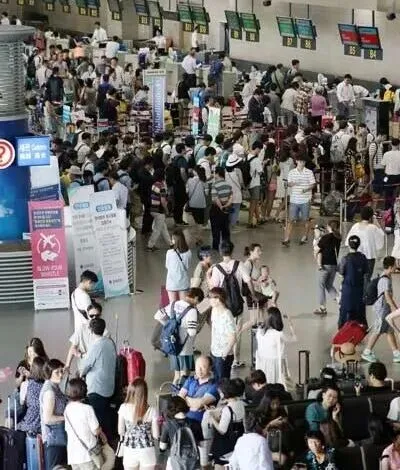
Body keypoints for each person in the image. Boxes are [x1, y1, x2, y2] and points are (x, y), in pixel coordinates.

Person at [210, 241, 254, 368]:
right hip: (237, 304)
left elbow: (213, 288)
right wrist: (253, 294)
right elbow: (248, 281)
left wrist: (208, 276)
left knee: (221, 329)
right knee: (237, 332)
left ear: (220, 252)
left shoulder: (217, 268)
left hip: (222, 305)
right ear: (232, 250)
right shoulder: (239, 264)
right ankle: (236, 359)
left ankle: (221, 353)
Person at [154, 288, 204, 385]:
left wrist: (168, 325)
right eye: (198, 302)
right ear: (196, 298)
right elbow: (192, 332)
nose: (197, 304)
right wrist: (196, 327)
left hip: (172, 346)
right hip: (184, 348)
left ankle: (174, 392)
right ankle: (182, 393)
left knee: (176, 376)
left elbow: (157, 315)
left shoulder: (174, 304)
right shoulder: (192, 311)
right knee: (184, 375)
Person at [178, 356, 219, 469]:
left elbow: (200, 403)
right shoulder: (190, 380)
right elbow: (179, 399)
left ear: (210, 368)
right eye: (197, 367)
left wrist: (187, 400)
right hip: (184, 420)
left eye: (203, 367)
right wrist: (193, 403)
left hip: (199, 425)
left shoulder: (214, 385)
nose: (199, 370)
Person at [80, 318, 116, 441]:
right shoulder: (110, 343)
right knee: (107, 416)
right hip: (109, 386)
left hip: (96, 387)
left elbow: (86, 366)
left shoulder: (95, 345)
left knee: (98, 419)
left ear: (91, 331)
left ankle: (102, 443)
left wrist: (80, 374)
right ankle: (110, 442)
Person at [361, 256, 400, 363]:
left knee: (389, 331)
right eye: (395, 265)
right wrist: (395, 309)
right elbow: (387, 297)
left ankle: (396, 353)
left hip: (385, 308)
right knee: (377, 331)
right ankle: (367, 352)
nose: (397, 266)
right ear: (390, 267)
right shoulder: (384, 280)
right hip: (382, 310)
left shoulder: (387, 277)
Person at [118, 378, 159, 470]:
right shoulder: (152, 410)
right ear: (145, 393)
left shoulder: (123, 408)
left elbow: (121, 431)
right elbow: (156, 435)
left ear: (131, 392)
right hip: (147, 451)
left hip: (130, 450)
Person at [64, 378, 105, 470]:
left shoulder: (67, 409)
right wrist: (101, 430)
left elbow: (67, 430)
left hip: (73, 455)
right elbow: (96, 431)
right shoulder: (87, 409)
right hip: (87, 454)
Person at [254, 307, 296, 389]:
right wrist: (291, 323)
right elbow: (294, 338)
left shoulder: (259, 332)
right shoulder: (278, 334)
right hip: (275, 363)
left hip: (262, 362)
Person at [206, 378, 245, 465]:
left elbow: (222, 430)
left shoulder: (227, 409)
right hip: (238, 438)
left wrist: (212, 418)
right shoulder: (241, 403)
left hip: (227, 444)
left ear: (224, 394)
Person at [39, 359, 68, 470]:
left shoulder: (55, 387)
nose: (61, 375)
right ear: (49, 373)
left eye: (61, 371)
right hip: (54, 438)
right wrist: (66, 418)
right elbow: (48, 418)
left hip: (58, 436)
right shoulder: (49, 391)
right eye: (57, 372)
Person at [345, 206, 384, 285]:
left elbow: (348, 241)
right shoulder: (373, 228)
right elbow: (381, 237)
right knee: (367, 278)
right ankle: (365, 292)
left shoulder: (355, 226)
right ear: (371, 216)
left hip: (355, 256)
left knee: (356, 277)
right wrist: (376, 222)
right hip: (369, 257)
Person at [282, 156, 316, 246]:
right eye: (300, 161)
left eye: (303, 161)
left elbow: (313, 184)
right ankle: (286, 238)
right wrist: (291, 184)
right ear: (296, 161)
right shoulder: (292, 172)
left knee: (305, 220)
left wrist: (306, 189)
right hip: (294, 199)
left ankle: (305, 236)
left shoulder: (309, 172)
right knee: (291, 220)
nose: (302, 163)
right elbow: (288, 183)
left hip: (305, 199)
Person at [338, 235, 369, 328]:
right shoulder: (363, 258)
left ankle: (343, 328)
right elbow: (366, 273)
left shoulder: (345, 259)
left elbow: (341, 273)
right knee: (359, 310)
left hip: (347, 289)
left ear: (349, 245)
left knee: (345, 310)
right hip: (360, 289)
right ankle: (360, 329)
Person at [209, 287, 237, 382]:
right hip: (214, 351)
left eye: (211, 298)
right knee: (216, 379)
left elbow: (233, 337)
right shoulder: (214, 310)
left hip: (223, 354)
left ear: (218, 299)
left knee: (223, 381)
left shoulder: (227, 315)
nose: (209, 300)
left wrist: (225, 353)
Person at [314, 220, 341, 315]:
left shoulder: (325, 238)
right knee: (329, 285)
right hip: (334, 265)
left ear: (329, 226)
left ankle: (322, 307)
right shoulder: (338, 237)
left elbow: (317, 249)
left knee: (321, 285)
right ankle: (339, 299)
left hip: (325, 265)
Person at [18, 356, 45, 434]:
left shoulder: (26, 384)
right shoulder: (47, 385)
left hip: (29, 424)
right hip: (43, 425)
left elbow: (22, 403)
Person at [147, 168, 172, 251]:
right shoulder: (162, 187)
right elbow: (163, 201)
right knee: (157, 230)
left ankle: (170, 243)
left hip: (153, 209)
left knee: (163, 227)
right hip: (159, 210)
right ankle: (150, 245)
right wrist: (167, 210)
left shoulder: (154, 185)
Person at [210, 167, 233, 250]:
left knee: (215, 229)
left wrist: (221, 207)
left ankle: (216, 247)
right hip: (226, 209)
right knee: (225, 229)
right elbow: (231, 198)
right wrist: (226, 206)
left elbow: (215, 198)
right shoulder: (228, 185)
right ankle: (226, 246)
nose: (213, 175)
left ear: (217, 174)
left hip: (216, 209)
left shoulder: (214, 185)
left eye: (214, 173)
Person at [165, 229, 192, 302]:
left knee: (172, 304)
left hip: (171, 282)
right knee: (183, 304)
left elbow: (167, 266)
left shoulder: (169, 252)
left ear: (174, 240)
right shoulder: (188, 252)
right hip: (183, 282)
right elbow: (187, 266)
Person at [247, 141, 264, 228]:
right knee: (253, 203)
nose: (260, 151)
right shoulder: (256, 160)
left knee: (255, 202)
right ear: (257, 148)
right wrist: (263, 164)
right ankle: (250, 222)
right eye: (260, 150)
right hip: (255, 183)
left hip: (248, 182)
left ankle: (258, 218)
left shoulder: (247, 156)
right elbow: (260, 172)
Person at [225, 152, 244, 227]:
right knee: (235, 209)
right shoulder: (237, 170)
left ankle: (228, 223)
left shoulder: (225, 171)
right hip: (237, 193)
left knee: (229, 209)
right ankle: (232, 224)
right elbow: (241, 182)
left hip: (228, 194)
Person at [382, 138, 400, 210]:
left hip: (388, 176)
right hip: (398, 176)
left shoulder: (386, 154)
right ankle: (396, 210)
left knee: (387, 194)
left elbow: (383, 165)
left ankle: (387, 210)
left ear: (391, 144)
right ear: (398, 145)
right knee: (397, 195)